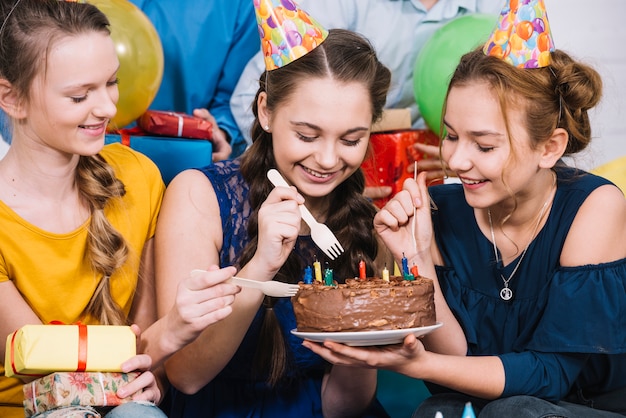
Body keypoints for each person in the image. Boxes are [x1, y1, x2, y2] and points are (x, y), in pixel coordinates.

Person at [303, 3, 626, 417]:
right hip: (495, 406)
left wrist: (416, 362)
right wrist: (416, 258)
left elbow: (553, 374)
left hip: (584, 406)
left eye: (485, 145)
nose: (456, 161)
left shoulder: (594, 207)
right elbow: (458, 362)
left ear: (550, 147)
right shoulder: (443, 209)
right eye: (451, 136)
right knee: (439, 410)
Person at [0, 1, 239, 417]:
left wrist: (155, 378)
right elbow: (43, 361)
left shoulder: (139, 177)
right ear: (12, 98)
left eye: (111, 82)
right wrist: (171, 333)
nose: (109, 108)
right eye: (79, 95)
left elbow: (143, 344)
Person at [154, 12, 395, 414]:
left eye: (352, 139)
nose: (328, 158)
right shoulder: (200, 196)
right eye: (307, 135)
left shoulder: (364, 222)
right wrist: (260, 266)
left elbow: (345, 406)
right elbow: (185, 375)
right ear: (265, 111)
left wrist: (361, 340)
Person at [231, 0, 505, 153]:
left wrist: (459, 156)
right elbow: (248, 97)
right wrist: (330, 173)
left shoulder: (493, 9)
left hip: (430, 179)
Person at [128, 0, 260, 160]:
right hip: (103, 142)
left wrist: (222, 132)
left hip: (188, 153)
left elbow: (233, 98)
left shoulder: (242, 6)